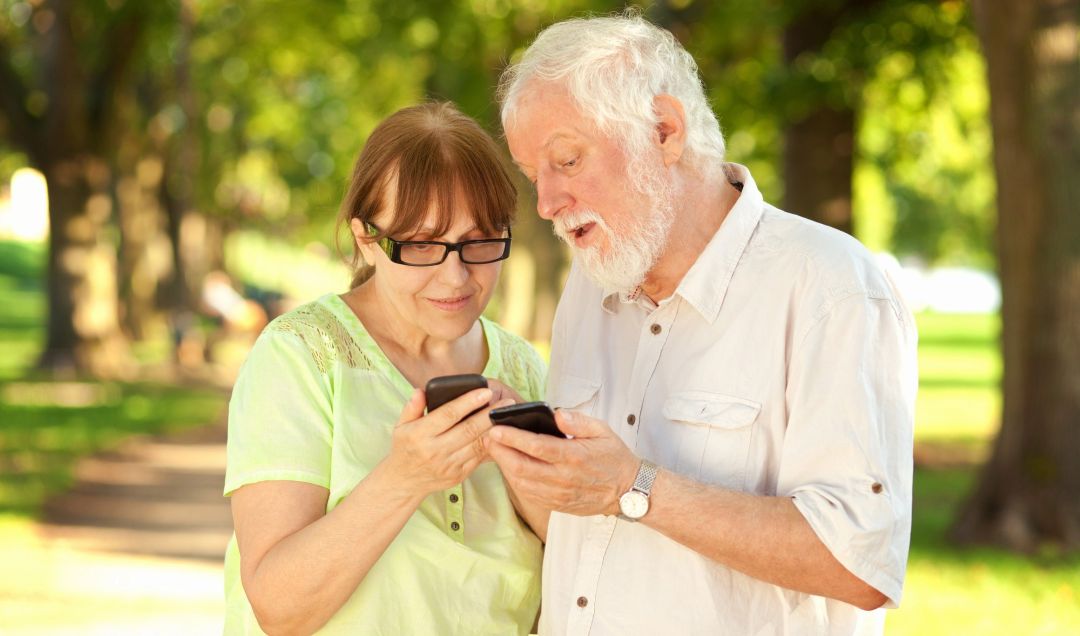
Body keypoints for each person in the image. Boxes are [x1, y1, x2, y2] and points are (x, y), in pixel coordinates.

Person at [487, 14, 917, 635]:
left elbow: (861, 565)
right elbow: (592, 535)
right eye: (535, 177)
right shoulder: (591, 281)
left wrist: (634, 486)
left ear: (664, 130)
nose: (547, 203)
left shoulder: (832, 287)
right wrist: (532, 460)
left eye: (568, 160)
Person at [223, 102, 546, 635]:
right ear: (366, 239)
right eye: (421, 244)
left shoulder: (523, 367)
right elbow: (280, 610)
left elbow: (580, 570)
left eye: (479, 241)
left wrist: (530, 476)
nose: (455, 278)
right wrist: (407, 477)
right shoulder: (300, 356)